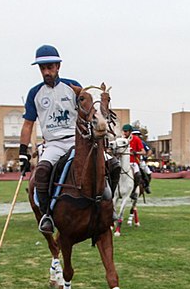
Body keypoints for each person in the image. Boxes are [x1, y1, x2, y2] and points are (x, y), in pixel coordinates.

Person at [20, 44, 119, 234]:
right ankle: (48, 215)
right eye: (43, 68)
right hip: (54, 144)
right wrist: (22, 152)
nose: (46, 71)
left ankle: (109, 205)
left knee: (113, 164)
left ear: (58, 66)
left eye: (50, 67)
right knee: (41, 171)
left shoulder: (73, 87)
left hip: (78, 140)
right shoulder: (35, 93)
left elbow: (89, 110)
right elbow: (27, 124)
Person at [131, 128, 153, 193]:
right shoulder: (128, 141)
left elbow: (149, 151)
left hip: (140, 161)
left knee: (148, 172)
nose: (136, 136)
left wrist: (146, 157)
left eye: (137, 134)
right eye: (134, 134)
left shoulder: (142, 143)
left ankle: (147, 185)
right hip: (130, 161)